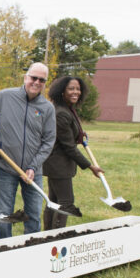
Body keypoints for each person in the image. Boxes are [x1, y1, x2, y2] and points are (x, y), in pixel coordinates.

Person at [0, 62, 56, 239]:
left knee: (34, 214)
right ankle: (3, 249)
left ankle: (31, 247)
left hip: (33, 172)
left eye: (41, 80)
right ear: (25, 77)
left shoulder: (47, 108)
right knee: (4, 215)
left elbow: (48, 141)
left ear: (45, 83)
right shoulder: (6, 96)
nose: (36, 82)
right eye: (33, 78)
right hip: (6, 168)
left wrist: (33, 167)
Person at [43, 76, 104, 230]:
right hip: (58, 165)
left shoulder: (66, 110)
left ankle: (47, 236)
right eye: (71, 88)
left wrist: (79, 135)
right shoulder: (61, 113)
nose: (75, 92)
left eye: (78, 89)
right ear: (61, 91)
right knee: (66, 202)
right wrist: (90, 166)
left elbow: (69, 136)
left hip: (55, 164)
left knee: (54, 201)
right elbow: (69, 147)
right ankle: (56, 237)